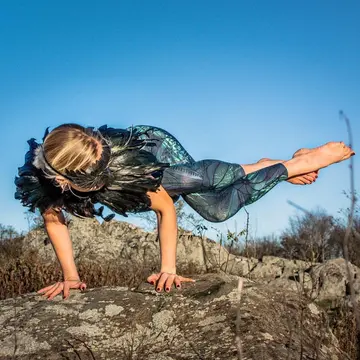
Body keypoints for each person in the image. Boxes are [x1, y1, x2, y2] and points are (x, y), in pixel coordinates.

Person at [14, 123, 355, 300]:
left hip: (149, 151)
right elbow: (54, 220)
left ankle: (298, 162)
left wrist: (168, 269)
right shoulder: (43, 180)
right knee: (218, 210)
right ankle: (269, 166)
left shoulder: (116, 164)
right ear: (62, 180)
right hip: (116, 171)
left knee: (201, 180)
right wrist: (71, 278)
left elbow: (165, 209)